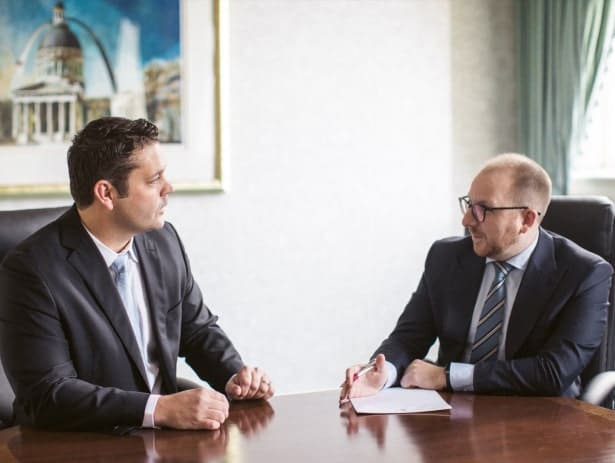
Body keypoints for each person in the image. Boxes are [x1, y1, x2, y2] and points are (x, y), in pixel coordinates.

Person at [0, 117, 273, 431]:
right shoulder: (31, 269)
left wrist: (235, 376)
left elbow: (196, 330)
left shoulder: (164, 240)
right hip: (79, 448)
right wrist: (158, 409)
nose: (168, 188)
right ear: (107, 193)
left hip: (166, 446)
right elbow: (48, 393)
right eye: (154, 179)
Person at [340, 153, 613, 402]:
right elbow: (409, 336)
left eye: (483, 209)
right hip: (452, 415)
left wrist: (447, 376)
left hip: (543, 422)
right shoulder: (445, 257)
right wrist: (382, 373)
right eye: (469, 205)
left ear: (526, 220)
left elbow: (553, 372)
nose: (467, 220)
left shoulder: (585, 274)